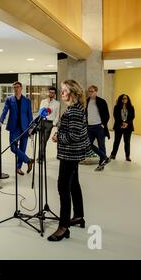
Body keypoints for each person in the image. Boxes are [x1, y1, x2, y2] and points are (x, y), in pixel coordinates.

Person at [49, 80, 91, 242]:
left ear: (73, 92)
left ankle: (63, 227)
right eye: (62, 90)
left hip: (69, 155)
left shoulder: (74, 111)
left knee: (63, 187)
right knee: (74, 184)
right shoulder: (77, 108)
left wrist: (57, 136)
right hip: (74, 154)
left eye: (64, 90)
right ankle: (79, 216)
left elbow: (74, 136)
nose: (62, 93)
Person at [0, 81, 34, 175]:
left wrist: (31, 127)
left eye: (17, 87)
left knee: (22, 148)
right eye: (14, 87)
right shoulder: (9, 99)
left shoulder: (27, 101)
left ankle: (18, 168)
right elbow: (5, 110)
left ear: (21, 88)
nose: (16, 89)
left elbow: (29, 115)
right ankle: (28, 160)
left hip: (25, 127)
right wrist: (1, 121)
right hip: (14, 127)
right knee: (13, 147)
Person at [86, 85, 111, 171]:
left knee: (101, 146)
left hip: (99, 127)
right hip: (89, 127)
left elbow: (107, 115)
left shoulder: (101, 101)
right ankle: (105, 157)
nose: (90, 93)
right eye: (89, 91)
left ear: (96, 92)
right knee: (87, 144)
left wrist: (103, 124)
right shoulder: (86, 101)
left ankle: (101, 164)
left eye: (92, 91)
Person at [110, 94, 135, 162]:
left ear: (128, 99)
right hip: (119, 126)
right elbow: (115, 116)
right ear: (120, 99)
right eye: (123, 98)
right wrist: (122, 123)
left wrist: (126, 123)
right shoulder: (116, 107)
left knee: (127, 142)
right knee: (116, 141)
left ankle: (127, 156)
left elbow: (132, 117)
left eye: (125, 98)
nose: (124, 100)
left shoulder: (131, 107)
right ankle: (113, 155)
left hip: (128, 127)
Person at [39, 87, 60, 160]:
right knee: (41, 140)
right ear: (48, 93)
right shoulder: (43, 101)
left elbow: (57, 115)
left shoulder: (57, 103)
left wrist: (53, 124)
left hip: (49, 123)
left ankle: (40, 157)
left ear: (55, 94)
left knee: (44, 140)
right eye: (50, 92)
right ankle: (42, 156)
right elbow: (40, 112)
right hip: (42, 122)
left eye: (53, 93)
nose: (51, 94)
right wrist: (48, 103)